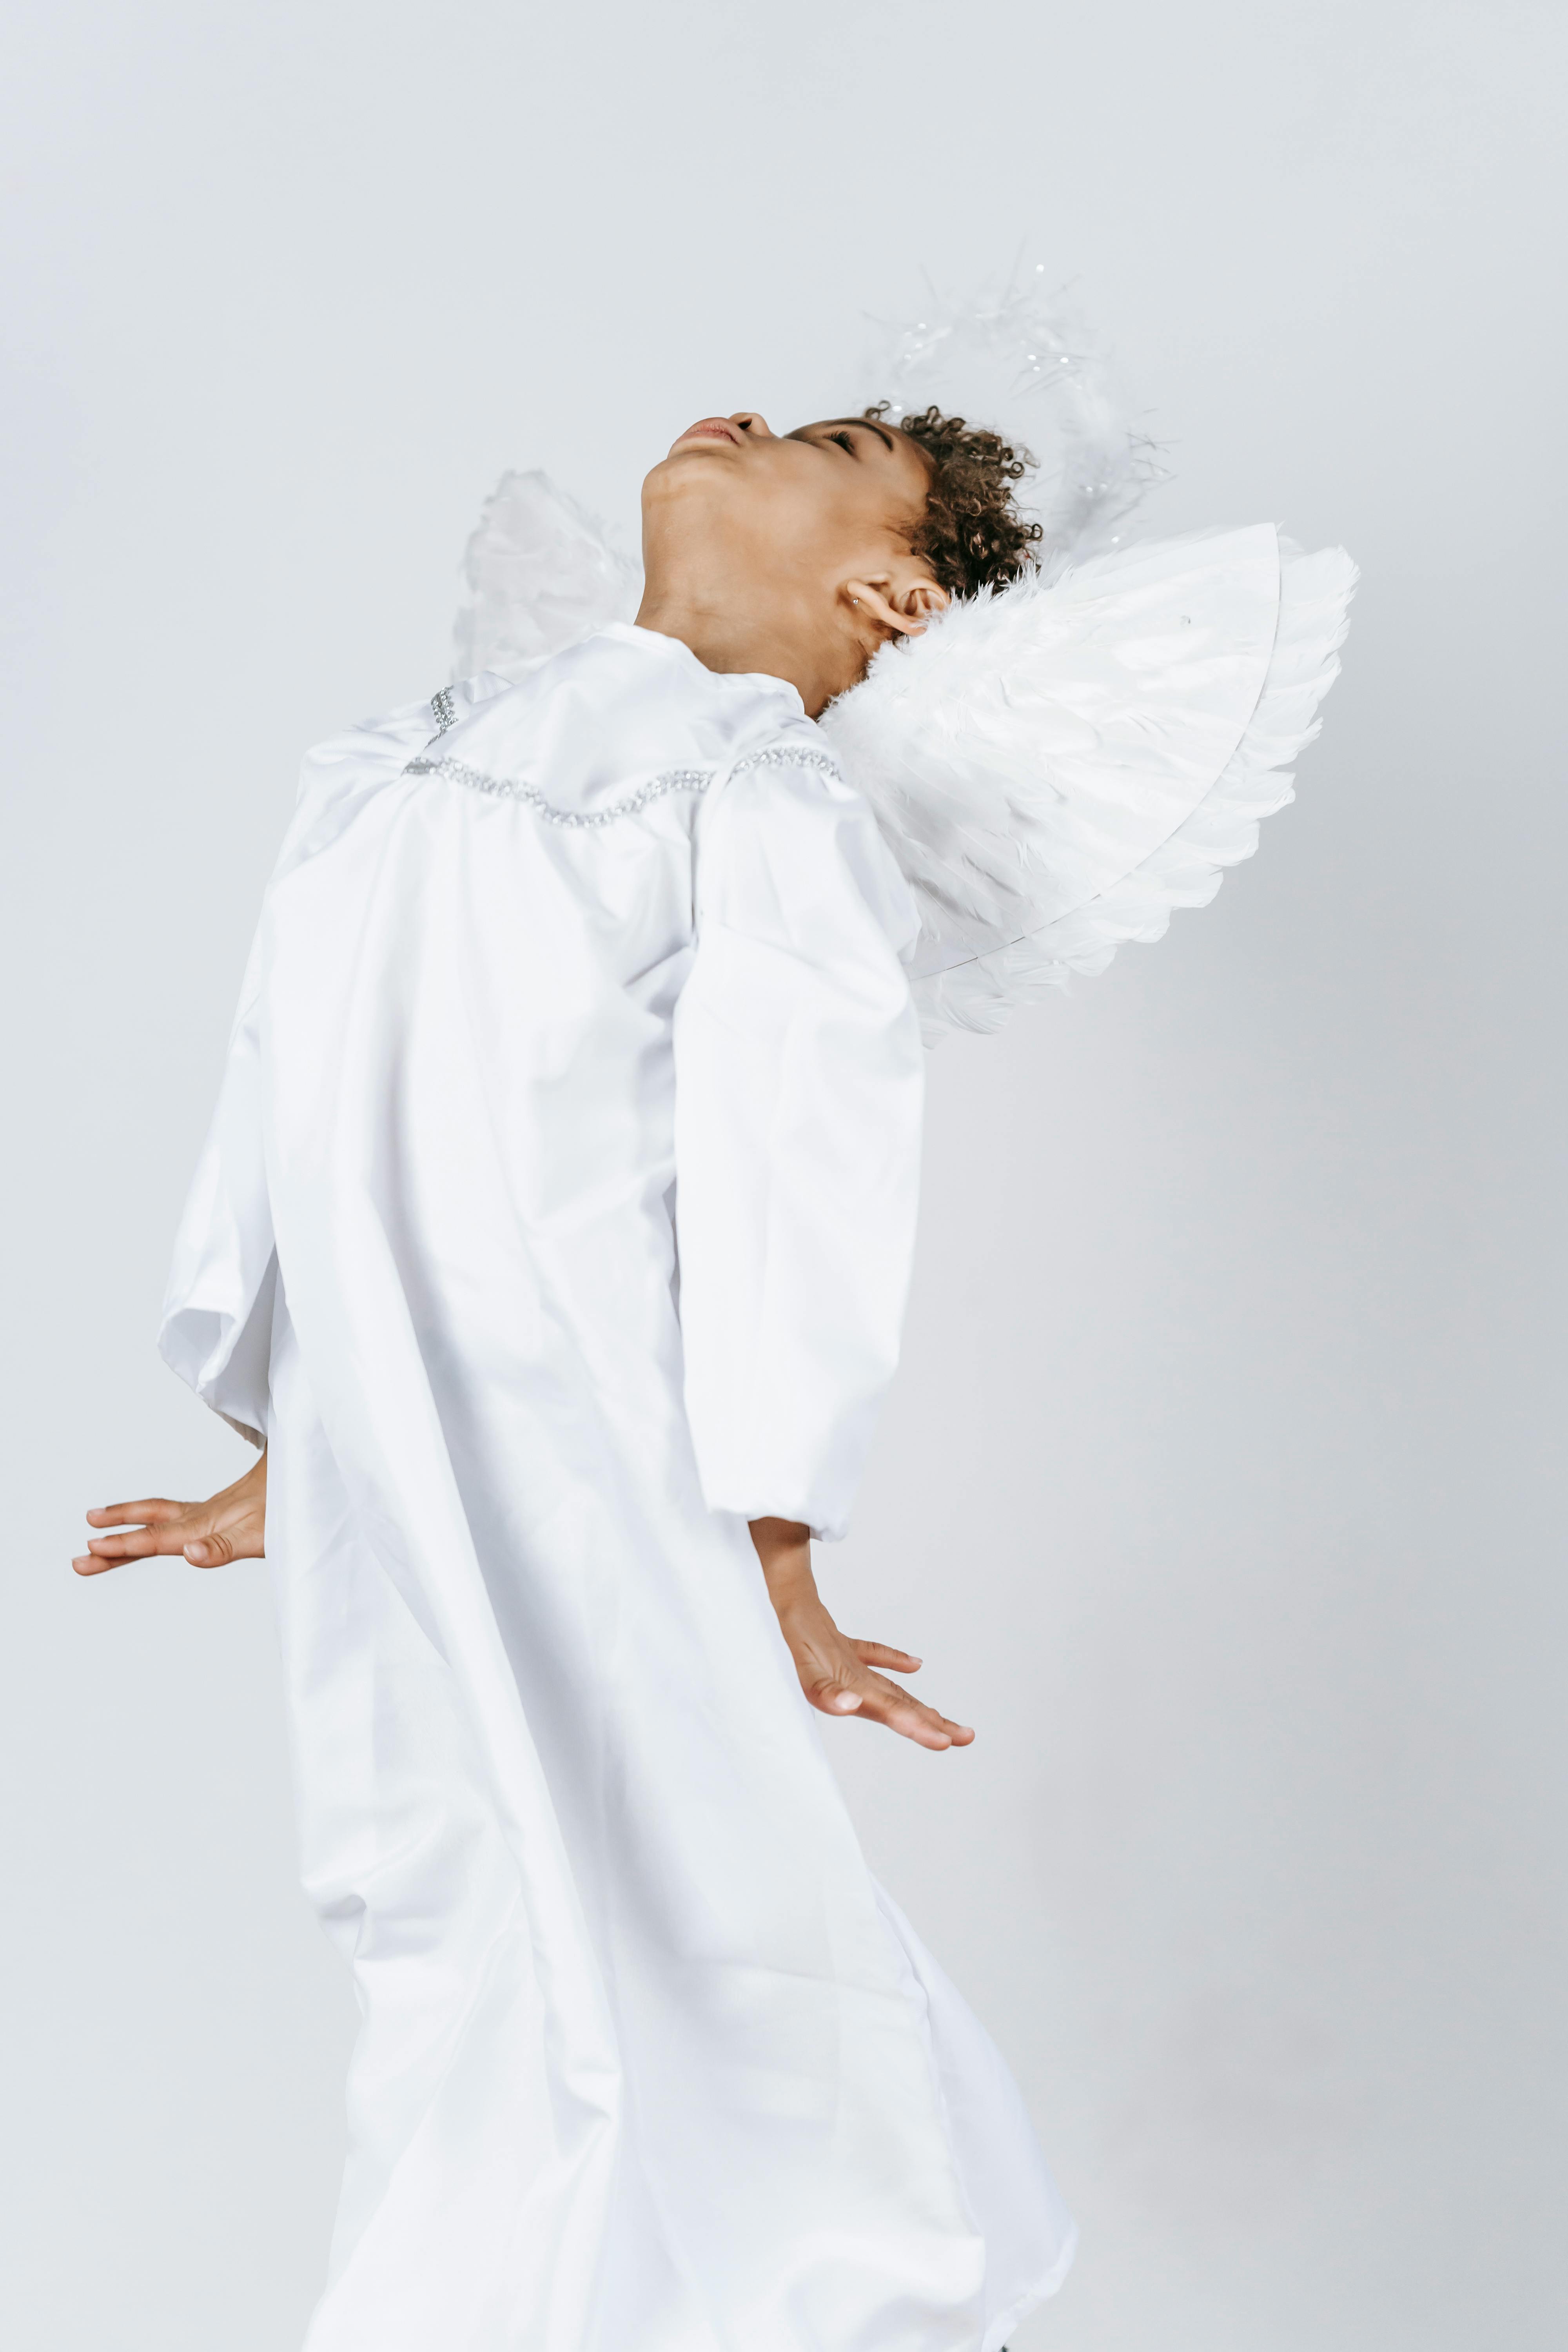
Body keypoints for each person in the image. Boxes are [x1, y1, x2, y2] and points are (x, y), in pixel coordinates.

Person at [74, 398, 1353, 2352]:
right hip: (407, 1456)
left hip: (585, 1439)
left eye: (829, 436)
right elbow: (304, 1082)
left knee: (658, 1896)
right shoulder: (397, 760)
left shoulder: (754, 806)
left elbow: (796, 1171)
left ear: (889, 592)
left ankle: (810, 2286)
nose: (742, 413)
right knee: (437, 1887)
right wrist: (302, 1425)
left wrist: (775, 1530)